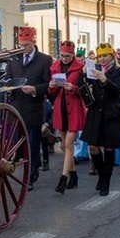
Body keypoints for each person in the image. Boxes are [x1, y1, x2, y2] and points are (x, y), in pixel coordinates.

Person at [5, 27, 52, 191]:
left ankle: (31, 176)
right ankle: (30, 166)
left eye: (25, 45)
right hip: (16, 108)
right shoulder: (14, 59)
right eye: (20, 45)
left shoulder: (45, 60)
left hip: (33, 109)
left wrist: (35, 89)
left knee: (32, 144)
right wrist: (8, 87)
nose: (22, 48)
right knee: (18, 145)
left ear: (33, 42)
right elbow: (7, 78)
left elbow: (49, 85)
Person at [78, 43, 120, 195]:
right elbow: (81, 85)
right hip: (95, 111)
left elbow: (117, 90)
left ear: (112, 56)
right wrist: (83, 73)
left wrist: (104, 79)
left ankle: (106, 181)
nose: (102, 59)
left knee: (109, 148)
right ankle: (101, 174)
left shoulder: (119, 71)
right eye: (100, 56)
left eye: (105, 55)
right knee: (93, 146)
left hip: (111, 112)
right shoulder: (95, 69)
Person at [48, 40, 87, 194]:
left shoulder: (80, 69)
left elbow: (85, 90)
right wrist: (51, 87)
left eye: (68, 56)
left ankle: (63, 179)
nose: (64, 58)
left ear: (73, 55)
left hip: (74, 109)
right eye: (62, 55)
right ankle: (74, 174)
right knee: (64, 145)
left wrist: (73, 88)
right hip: (61, 108)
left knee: (69, 144)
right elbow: (51, 93)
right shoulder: (55, 67)